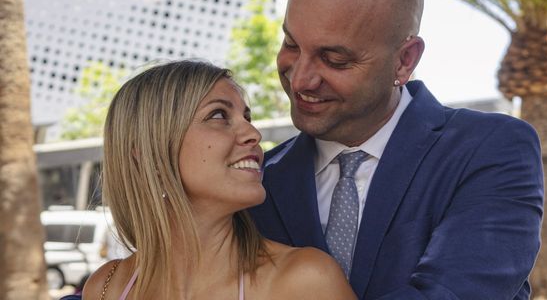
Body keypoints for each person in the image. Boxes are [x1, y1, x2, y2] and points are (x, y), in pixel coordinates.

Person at [249, 0, 544, 299]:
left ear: (404, 61)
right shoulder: (257, 182)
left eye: (335, 59)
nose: (300, 78)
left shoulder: (491, 150)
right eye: (291, 44)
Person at [69, 60, 355, 300]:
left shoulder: (305, 282)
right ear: (149, 156)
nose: (253, 134)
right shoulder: (106, 287)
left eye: (247, 116)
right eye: (219, 115)